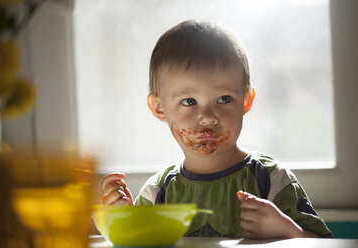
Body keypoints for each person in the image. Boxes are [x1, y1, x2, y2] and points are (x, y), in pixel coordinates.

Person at [101, 20, 333, 239]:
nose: (208, 118)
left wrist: (287, 230)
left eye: (223, 99)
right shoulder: (158, 192)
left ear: (246, 101)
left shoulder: (271, 180)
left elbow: (325, 244)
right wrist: (126, 219)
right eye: (189, 101)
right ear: (160, 108)